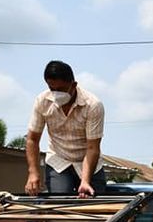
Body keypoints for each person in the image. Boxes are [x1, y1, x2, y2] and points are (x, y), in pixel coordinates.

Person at [25, 60, 106, 197]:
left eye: (61, 89)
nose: (56, 94)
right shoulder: (42, 102)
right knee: (60, 202)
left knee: (94, 204)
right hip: (59, 161)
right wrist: (33, 173)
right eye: (52, 89)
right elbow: (32, 139)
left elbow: (93, 147)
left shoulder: (92, 105)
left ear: (73, 85)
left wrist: (85, 181)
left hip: (88, 162)